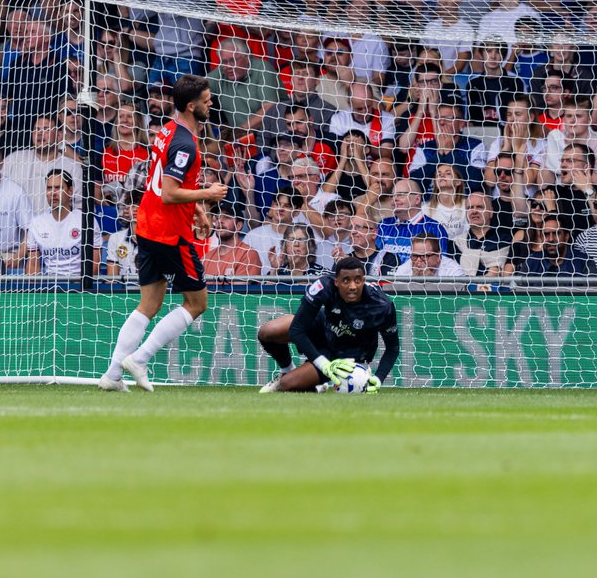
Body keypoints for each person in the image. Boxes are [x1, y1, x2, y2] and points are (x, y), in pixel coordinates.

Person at [99, 76, 228, 393]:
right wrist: (207, 193)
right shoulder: (184, 143)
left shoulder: (167, 131)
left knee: (149, 304)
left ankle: (112, 376)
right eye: (207, 100)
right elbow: (170, 193)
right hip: (170, 233)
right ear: (191, 105)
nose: (211, 104)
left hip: (147, 225)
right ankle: (140, 359)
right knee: (197, 303)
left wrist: (198, 211)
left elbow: (158, 182)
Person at [256, 256, 398, 392]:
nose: (353, 286)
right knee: (267, 331)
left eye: (357, 280)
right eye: (346, 280)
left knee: (287, 384)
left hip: (345, 357)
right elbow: (297, 329)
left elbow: (392, 348)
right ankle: (286, 370)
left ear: (363, 280)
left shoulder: (381, 305)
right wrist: (321, 363)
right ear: (336, 282)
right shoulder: (324, 286)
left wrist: (378, 379)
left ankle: (316, 386)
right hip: (323, 330)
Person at [22, 169, 101, 277]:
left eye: (58, 188)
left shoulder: (87, 221)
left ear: (70, 191)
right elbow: (33, 265)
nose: (53, 193)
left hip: (79, 286)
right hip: (49, 286)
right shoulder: (37, 223)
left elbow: (94, 266)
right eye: (49, 188)